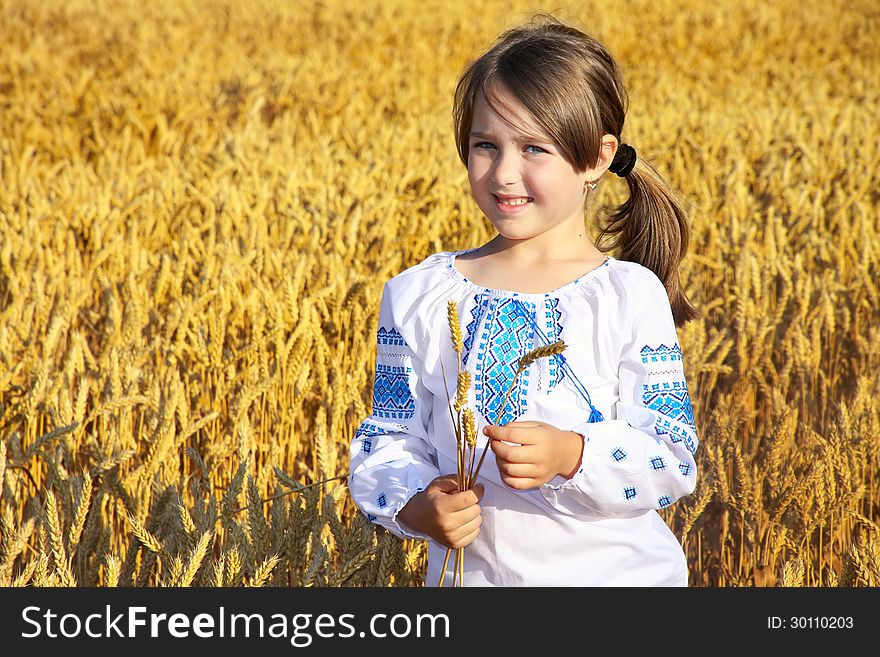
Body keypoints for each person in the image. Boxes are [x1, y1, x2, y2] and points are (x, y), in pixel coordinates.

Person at [348, 15, 701, 586]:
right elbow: (388, 439)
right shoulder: (419, 294)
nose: (504, 172)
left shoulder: (627, 295)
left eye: (535, 148)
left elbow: (673, 460)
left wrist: (573, 454)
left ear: (596, 159)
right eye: (485, 145)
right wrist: (417, 507)